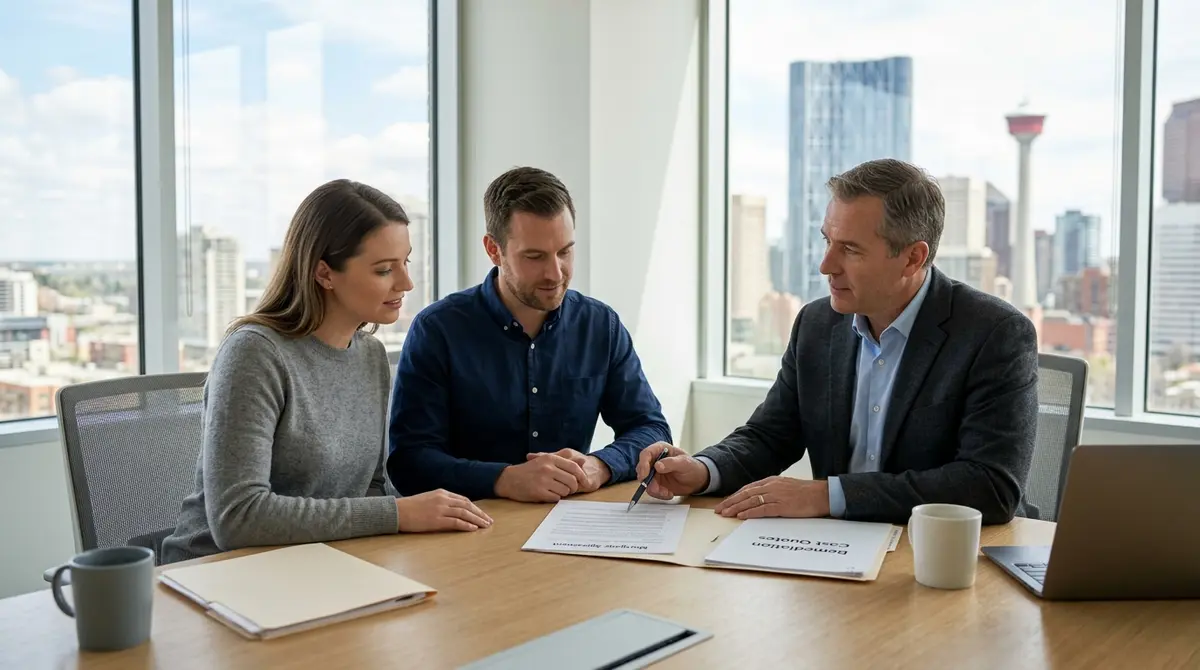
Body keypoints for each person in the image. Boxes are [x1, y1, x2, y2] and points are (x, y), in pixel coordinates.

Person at [635, 158, 1039, 525]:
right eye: (827, 240)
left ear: (913, 258)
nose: (826, 265)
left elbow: (989, 486)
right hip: (840, 557)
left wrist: (827, 495)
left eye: (850, 250)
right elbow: (770, 435)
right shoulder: (817, 323)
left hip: (953, 560)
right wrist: (703, 469)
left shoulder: (994, 333)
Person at [161, 179, 492, 564]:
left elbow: (368, 488)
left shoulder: (370, 355)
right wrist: (398, 514)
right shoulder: (255, 353)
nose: (406, 283)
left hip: (316, 565)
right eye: (384, 269)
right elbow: (238, 517)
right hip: (216, 572)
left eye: (406, 262)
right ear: (324, 273)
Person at [387, 166, 672, 502]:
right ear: (494, 250)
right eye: (535, 257)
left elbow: (651, 430)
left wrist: (599, 466)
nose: (555, 273)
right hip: (468, 533)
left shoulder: (600, 325)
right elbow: (409, 462)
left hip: (569, 528)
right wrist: (503, 479)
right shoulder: (437, 330)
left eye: (565, 251)